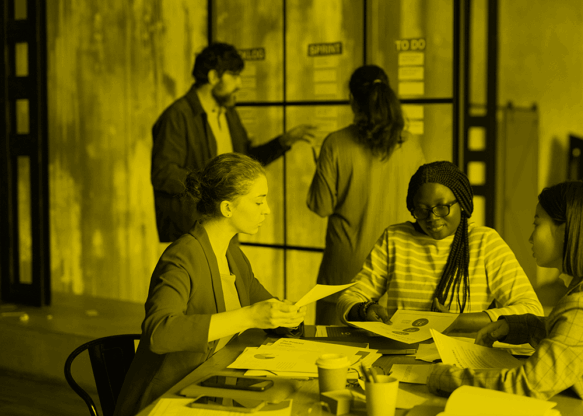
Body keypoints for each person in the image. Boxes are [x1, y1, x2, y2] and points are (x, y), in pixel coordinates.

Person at [427, 181, 583, 416]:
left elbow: (524, 386)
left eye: (537, 223)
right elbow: (568, 338)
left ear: (567, 231)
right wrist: (516, 326)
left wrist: (442, 375)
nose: (529, 237)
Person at [114, 153, 307, 416]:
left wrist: (289, 317)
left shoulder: (233, 255)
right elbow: (159, 333)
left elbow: (267, 307)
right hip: (166, 396)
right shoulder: (182, 256)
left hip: (210, 383)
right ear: (227, 208)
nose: (267, 209)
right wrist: (249, 316)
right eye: (259, 201)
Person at [337, 161, 543, 331]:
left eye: (442, 208)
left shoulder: (485, 242)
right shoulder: (395, 238)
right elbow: (349, 296)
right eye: (422, 210)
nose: (432, 218)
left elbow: (531, 310)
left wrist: (458, 322)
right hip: (404, 353)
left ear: (462, 203)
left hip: (463, 357)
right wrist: (364, 309)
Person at [152, 42, 315, 242]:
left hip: (225, 225)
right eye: (234, 75)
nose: (239, 84)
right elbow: (163, 173)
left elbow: (244, 162)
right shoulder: (176, 116)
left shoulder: (228, 113)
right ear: (213, 77)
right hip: (193, 232)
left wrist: (283, 142)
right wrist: (211, 186)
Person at [307, 64, 425, 325]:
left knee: (331, 350)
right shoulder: (411, 144)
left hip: (342, 273)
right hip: (394, 268)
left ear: (351, 100)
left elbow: (320, 206)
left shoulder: (335, 143)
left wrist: (320, 168)